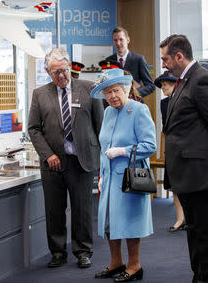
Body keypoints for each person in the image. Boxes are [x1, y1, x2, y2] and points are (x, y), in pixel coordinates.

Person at [159, 34, 208, 283]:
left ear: (179, 56)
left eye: (165, 59)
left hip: (203, 175)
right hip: (190, 176)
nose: (163, 65)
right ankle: (200, 277)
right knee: (195, 233)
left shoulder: (201, 80)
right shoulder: (184, 81)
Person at [27, 48, 103, 269]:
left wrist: (101, 159)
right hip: (53, 163)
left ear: (69, 67)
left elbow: (100, 127)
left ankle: (83, 251)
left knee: (82, 209)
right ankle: (58, 252)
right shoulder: (40, 94)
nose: (60, 76)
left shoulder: (89, 89)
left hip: (81, 161)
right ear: (48, 72)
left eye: (63, 70)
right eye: (55, 72)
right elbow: (33, 129)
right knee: (54, 210)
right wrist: (47, 154)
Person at [90, 68, 156, 282]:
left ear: (126, 89)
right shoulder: (108, 112)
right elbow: (103, 146)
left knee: (129, 222)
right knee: (109, 222)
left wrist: (123, 151)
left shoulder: (138, 110)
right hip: (109, 179)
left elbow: (150, 145)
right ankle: (116, 262)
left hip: (130, 177)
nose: (112, 96)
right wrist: (101, 175)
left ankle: (135, 265)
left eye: (116, 90)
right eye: (107, 92)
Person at [154, 71, 185, 232]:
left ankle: (191, 218)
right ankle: (180, 219)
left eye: (165, 84)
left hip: (187, 148)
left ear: (175, 85)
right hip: (172, 147)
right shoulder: (164, 103)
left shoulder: (186, 100)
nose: (163, 87)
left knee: (188, 185)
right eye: (161, 85)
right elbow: (165, 127)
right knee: (174, 186)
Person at [106, 27, 155, 99]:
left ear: (128, 40)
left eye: (121, 39)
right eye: (115, 40)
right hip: (114, 103)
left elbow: (150, 86)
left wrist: (133, 94)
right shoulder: (109, 61)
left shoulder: (138, 59)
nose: (118, 43)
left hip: (134, 103)